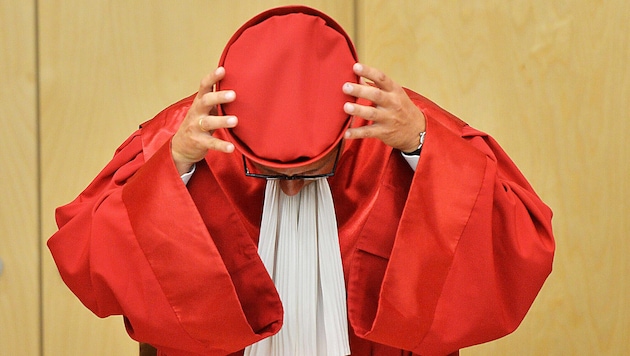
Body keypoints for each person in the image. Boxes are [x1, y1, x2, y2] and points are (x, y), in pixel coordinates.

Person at [48, 5, 555, 356]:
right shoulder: (192, 132)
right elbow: (84, 254)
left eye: (313, 170)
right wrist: (174, 165)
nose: (290, 187)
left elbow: (520, 246)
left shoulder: (392, 123)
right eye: (269, 173)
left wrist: (423, 147)